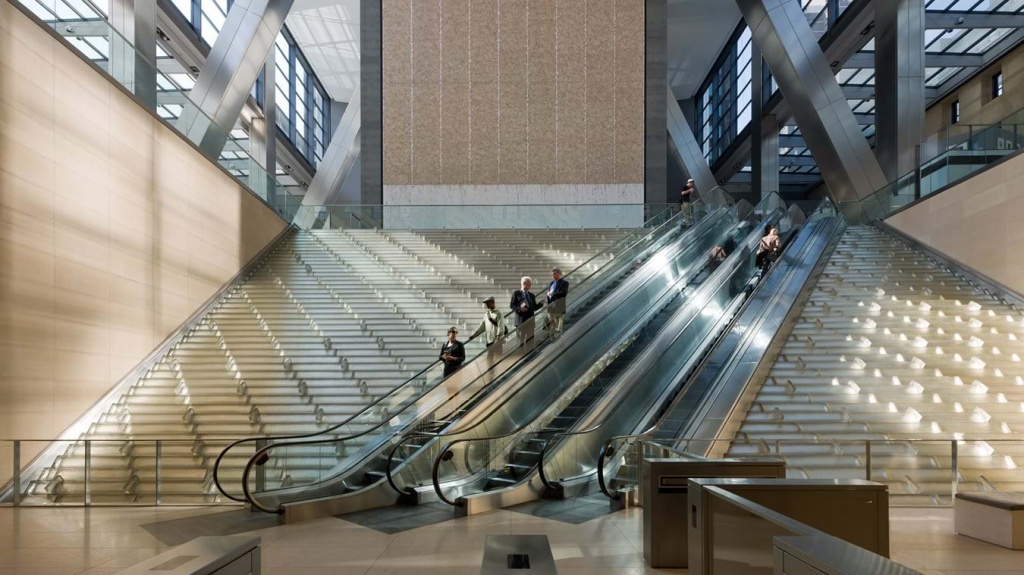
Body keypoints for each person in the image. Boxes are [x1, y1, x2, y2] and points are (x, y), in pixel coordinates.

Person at [510, 276, 542, 347]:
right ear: (523, 283)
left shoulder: (531, 295)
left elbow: (534, 307)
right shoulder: (516, 293)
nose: (529, 285)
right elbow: (512, 305)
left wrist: (540, 304)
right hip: (521, 322)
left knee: (530, 341)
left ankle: (530, 357)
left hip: (530, 321)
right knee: (520, 342)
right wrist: (519, 309)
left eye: (530, 284)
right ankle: (521, 356)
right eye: (527, 283)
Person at [545, 268, 569, 336]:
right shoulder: (552, 283)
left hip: (559, 306)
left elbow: (563, 293)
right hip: (551, 307)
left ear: (560, 274)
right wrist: (548, 294)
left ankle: (559, 338)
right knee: (552, 324)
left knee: (559, 326)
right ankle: (553, 337)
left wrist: (553, 293)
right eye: (552, 274)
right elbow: (549, 293)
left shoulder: (564, 283)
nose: (553, 275)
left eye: (555, 274)